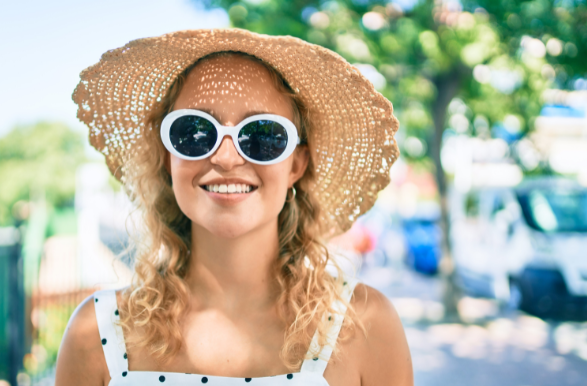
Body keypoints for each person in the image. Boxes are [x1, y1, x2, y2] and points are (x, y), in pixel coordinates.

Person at [56, 29, 411, 386]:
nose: (226, 158)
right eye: (194, 132)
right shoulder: (97, 333)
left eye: (262, 135)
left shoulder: (365, 325)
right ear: (168, 158)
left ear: (296, 165)